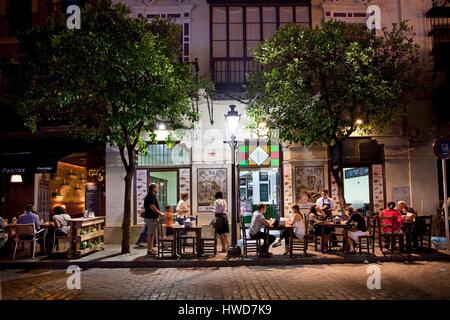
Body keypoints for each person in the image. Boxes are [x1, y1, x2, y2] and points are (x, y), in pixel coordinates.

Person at [144, 183, 164, 256]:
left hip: (152, 218)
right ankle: (149, 250)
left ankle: (151, 248)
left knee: (152, 234)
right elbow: (152, 207)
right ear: (153, 188)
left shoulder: (151, 196)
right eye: (157, 187)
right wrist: (160, 213)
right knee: (151, 234)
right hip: (151, 218)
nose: (157, 189)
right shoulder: (150, 196)